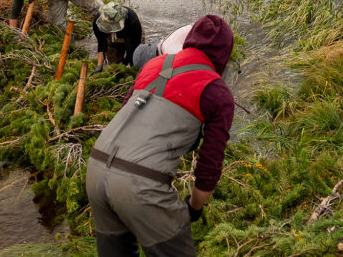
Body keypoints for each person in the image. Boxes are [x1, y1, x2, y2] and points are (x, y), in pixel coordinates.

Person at [86, 15, 235, 255]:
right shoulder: (216, 91)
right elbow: (209, 167)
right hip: (139, 184)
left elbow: (126, 112)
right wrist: (194, 207)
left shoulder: (154, 65)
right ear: (224, 54)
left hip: (95, 168)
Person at [92, 2, 143, 73]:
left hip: (130, 37)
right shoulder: (98, 22)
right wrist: (99, 66)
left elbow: (135, 46)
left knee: (136, 63)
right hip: (112, 39)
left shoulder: (132, 21)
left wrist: (125, 62)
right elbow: (101, 43)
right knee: (114, 68)